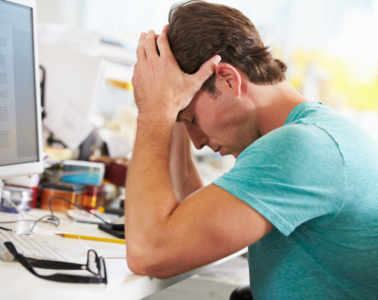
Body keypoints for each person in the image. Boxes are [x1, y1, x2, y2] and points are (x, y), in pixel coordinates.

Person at [125, 1, 378, 299]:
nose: (197, 141)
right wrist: (173, 111)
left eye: (192, 121)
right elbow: (190, 219)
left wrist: (155, 113)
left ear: (229, 80)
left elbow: (151, 252)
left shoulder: (301, 149)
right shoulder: (320, 134)